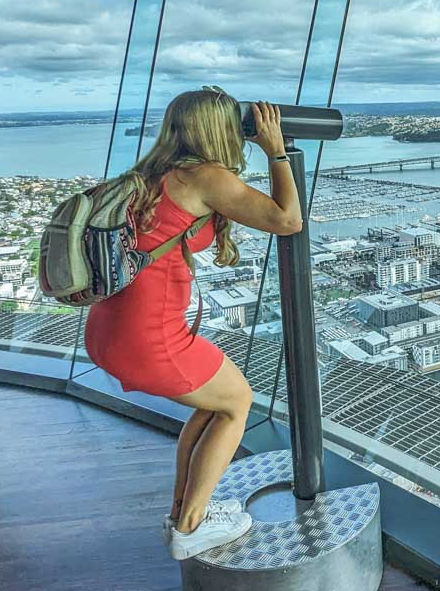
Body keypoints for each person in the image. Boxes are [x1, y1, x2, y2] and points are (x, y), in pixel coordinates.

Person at [84, 87, 303, 560]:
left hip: (109, 327)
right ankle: (188, 528)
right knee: (237, 402)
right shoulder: (206, 177)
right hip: (151, 338)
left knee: (213, 404)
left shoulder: (148, 174)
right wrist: (276, 149)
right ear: (218, 130)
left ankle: (186, 509)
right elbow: (288, 220)